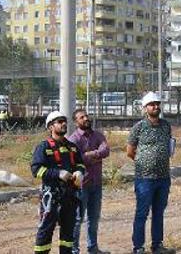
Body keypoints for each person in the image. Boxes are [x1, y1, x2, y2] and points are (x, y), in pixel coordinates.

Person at [126, 92, 175, 254]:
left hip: (163, 177)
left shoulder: (166, 125)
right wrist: (145, 162)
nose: (155, 107)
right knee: (142, 212)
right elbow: (130, 151)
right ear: (145, 108)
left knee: (159, 212)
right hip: (145, 179)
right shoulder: (139, 127)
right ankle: (138, 247)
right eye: (151, 104)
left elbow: (169, 145)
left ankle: (157, 245)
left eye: (157, 104)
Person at [31, 111, 85, 254]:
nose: (63, 124)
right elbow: (36, 170)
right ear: (50, 127)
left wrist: (80, 172)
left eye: (64, 121)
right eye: (59, 121)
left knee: (68, 233)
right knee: (46, 231)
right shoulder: (44, 147)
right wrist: (58, 173)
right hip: (51, 197)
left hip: (70, 196)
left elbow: (80, 164)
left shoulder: (72, 147)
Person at [68, 109, 111, 254]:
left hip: (96, 183)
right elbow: (77, 159)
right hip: (81, 185)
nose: (86, 118)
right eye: (82, 117)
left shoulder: (98, 135)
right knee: (78, 219)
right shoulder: (73, 140)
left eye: (86, 115)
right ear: (76, 122)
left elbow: (106, 150)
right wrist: (93, 157)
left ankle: (93, 248)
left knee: (94, 218)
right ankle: (74, 250)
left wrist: (91, 154)